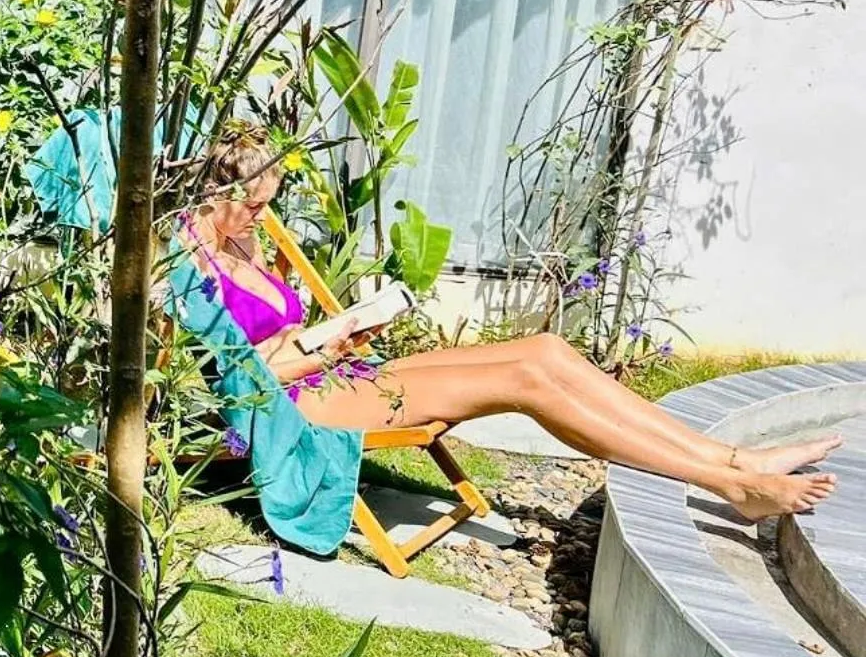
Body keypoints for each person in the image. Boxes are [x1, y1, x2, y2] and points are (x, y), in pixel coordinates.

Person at [177, 123, 838, 524]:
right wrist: (322, 349)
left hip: (330, 368)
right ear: (216, 192)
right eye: (253, 206)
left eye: (268, 204)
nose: (263, 218)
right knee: (526, 382)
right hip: (289, 404)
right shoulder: (185, 264)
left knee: (545, 350)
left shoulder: (241, 239)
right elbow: (241, 375)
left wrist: (339, 333)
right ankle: (731, 484)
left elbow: (276, 335)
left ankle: (736, 457)